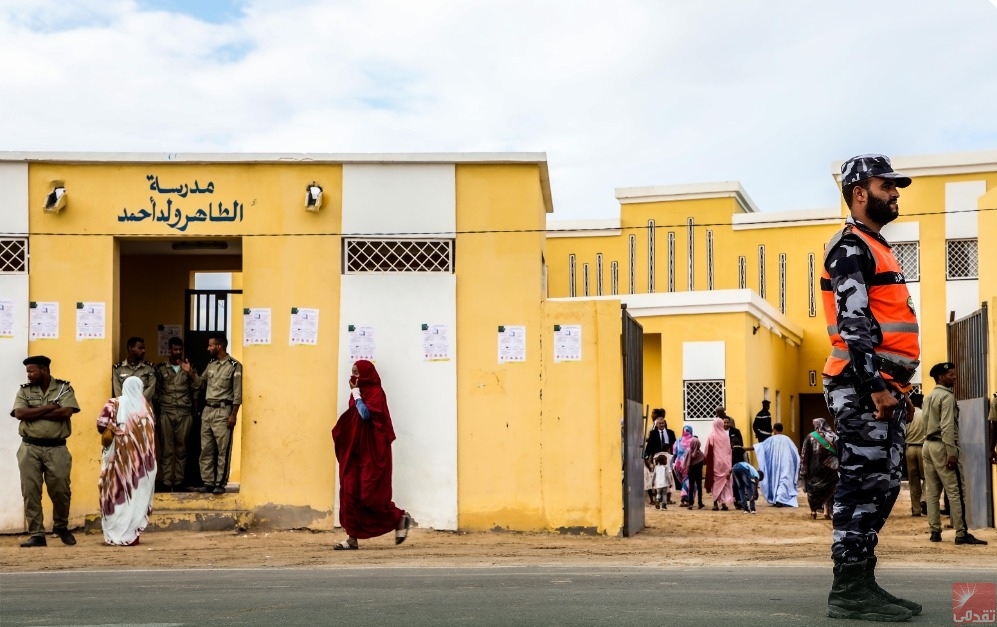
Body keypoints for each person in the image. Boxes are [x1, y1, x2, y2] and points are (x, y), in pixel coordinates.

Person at [821, 154, 922, 621]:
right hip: (863, 386)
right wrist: (877, 387)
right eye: (887, 186)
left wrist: (901, 390)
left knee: (881, 487)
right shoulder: (850, 247)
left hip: (884, 389)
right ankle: (849, 591)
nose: (895, 193)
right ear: (860, 192)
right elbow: (854, 322)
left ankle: (862, 582)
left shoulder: (875, 246)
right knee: (861, 487)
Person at [331, 360, 411, 549]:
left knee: (369, 496)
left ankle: (398, 518)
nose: (354, 377)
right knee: (349, 493)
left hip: (371, 453)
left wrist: (356, 394)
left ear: (366, 374)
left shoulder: (375, 392)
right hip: (355, 452)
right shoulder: (357, 393)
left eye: (357, 373)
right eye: (352, 372)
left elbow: (366, 415)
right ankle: (352, 538)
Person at [11, 355, 81, 547]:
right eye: (27, 372)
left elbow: (66, 412)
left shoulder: (63, 388)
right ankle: (37, 534)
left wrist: (35, 411)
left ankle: (61, 526)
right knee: (31, 491)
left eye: (32, 371)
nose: (29, 375)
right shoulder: (24, 391)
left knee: (61, 490)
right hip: (29, 448)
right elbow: (19, 413)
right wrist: (51, 407)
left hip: (57, 448)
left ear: (44, 370)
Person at [921, 362, 987, 546]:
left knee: (932, 492)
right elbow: (947, 426)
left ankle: (935, 532)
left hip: (927, 444)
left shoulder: (929, 396)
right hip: (943, 445)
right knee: (955, 490)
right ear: (941, 377)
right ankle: (961, 533)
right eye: (951, 374)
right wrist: (951, 452)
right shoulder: (947, 397)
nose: (954, 377)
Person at [97, 376, 157, 546]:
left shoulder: (114, 403)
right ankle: (131, 534)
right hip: (141, 467)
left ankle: (113, 534)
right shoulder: (147, 409)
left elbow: (101, 425)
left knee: (114, 494)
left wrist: (116, 428)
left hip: (117, 461)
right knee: (135, 497)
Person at [195, 332, 241, 495]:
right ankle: (208, 482)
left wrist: (233, 414)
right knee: (206, 448)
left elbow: (237, 393)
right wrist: (190, 373)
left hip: (223, 411)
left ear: (219, 346)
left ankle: (220, 482)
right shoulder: (211, 365)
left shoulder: (234, 366)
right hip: (208, 410)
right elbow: (200, 383)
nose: (208, 348)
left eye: (210, 345)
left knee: (222, 449)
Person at [154, 337, 201, 491]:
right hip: (166, 412)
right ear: (169, 350)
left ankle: (179, 481)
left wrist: (190, 373)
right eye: (175, 349)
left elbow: (197, 387)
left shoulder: (189, 366)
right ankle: (167, 482)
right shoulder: (160, 369)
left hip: (184, 412)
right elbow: (156, 392)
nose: (178, 352)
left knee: (181, 449)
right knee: (166, 449)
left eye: (180, 349)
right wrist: (155, 413)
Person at [749, 423, 799, 508]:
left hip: (774, 465)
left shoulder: (770, 439)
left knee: (776, 480)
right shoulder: (788, 439)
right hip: (786, 463)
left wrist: (749, 448)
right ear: (782, 430)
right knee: (784, 480)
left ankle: (779, 498)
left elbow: (761, 447)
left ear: (774, 429)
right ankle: (780, 498)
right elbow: (795, 452)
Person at [799, 418, 839, 520]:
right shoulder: (833, 436)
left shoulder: (810, 437)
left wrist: (803, 470)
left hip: (814, 470)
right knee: (828, 490)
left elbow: (804, 454)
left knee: (813, 490)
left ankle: (813, 511)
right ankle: (826, 511)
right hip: (830, 468)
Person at [112, 336, 156, 402]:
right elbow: (118, 391)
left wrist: (138, 403)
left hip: (144, 408)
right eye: (140, 348)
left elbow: (151, 388)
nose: (143, 351)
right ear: (131, 348)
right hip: (126, 408)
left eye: (144, 348)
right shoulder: (118, 369)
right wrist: (127, 404)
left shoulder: (149, 368)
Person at [704, 417, 734, 511]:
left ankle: (715, 503)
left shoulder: (711, 435)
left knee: (716, 483)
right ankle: (724, 504)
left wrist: (705, 459)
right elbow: (729, 450)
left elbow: (707, 450)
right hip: (725, 463)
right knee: (724, 483)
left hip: (715, 463)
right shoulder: (726, 436)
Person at [904, 393, 926, 516]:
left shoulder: (907, 415)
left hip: (910, 448)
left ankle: (916, 509)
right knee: (928, 477)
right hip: (923, 447)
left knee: (913, 481)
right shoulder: (924, 415)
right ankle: (924, 499)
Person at [671, 425, 694, 506]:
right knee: (689, 480)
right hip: (690, 463)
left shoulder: (677, 441)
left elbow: (674, 454)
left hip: (679, 464)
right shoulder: (694, 440)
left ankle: (684, 498)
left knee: (684, 480)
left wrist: (673, 464)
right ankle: (685, 497)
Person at [684, 436, 706, 510]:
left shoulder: (688, 453)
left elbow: (686, 463)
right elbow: (704, 462)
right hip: (699, 474)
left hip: (691, 473)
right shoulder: (700, 454)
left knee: (691, 488)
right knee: (699, 488)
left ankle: (690, 504)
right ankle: (700, 503)